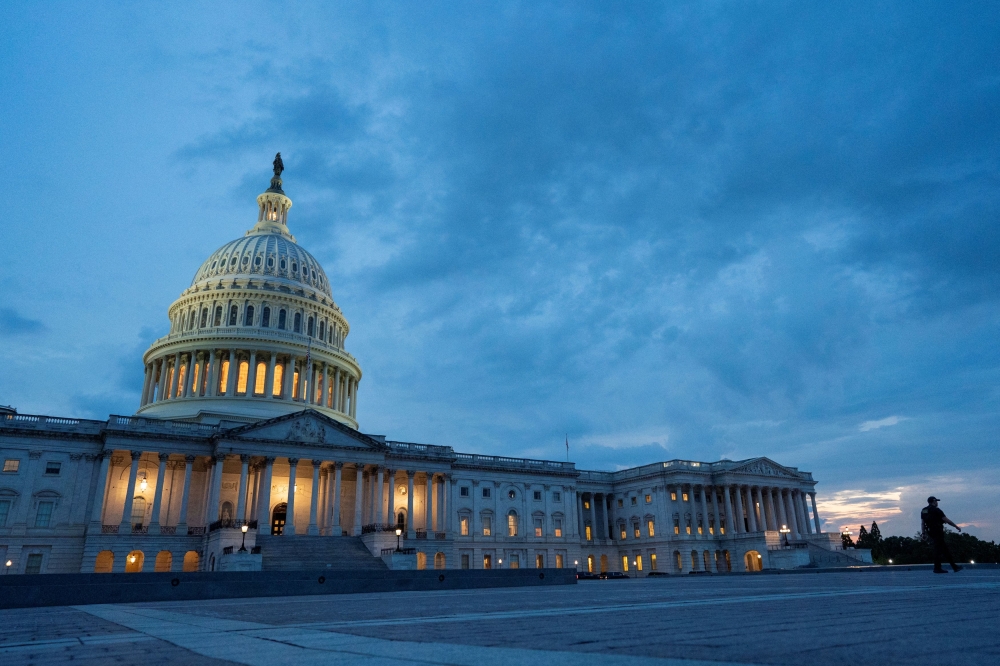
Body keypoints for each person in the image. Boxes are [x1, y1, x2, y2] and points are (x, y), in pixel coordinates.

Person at [921, 496, 962, 573]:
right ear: (933, 501)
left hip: (930, 532)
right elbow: (945, 520)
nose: (937, 503)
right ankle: (938, 568)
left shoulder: (924, 510)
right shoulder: (937, 510)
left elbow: (923, 523)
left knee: (943, 549)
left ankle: (953, 566)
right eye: (936, 501)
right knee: (939, 550)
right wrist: (955, 526)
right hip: (938, 531)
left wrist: (923, 533)